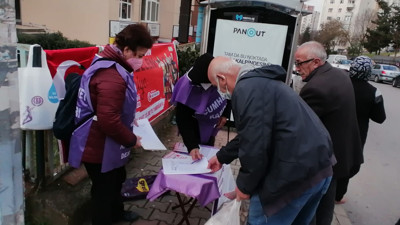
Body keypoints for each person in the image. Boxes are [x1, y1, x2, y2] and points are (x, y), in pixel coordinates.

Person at [207, 56, 335, 225]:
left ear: (222, 79)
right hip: (319, 167)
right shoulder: (262, 84)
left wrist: (244, 186)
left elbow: (255, 144)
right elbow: (253, 133)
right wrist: (222, 156)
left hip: (292, 177)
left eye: (216, 86)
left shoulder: (246, 89)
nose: (220, 92)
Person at [68, 24, 153, 225]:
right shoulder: (111, 75)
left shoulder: (113, 65)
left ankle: (117, 214)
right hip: (98, 146)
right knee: (103, 192)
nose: (141, 61)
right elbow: (109, 120)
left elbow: (111, 110)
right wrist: (132, 140)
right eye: (139, 56)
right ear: (126, 51)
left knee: (116, 180)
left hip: (107, 144)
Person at [294, 41, 363, 225]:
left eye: (300, 63)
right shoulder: (338, 75)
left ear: (316, 62)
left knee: (314, 209)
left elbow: (299, 129)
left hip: (324, 161)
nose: (297, 68)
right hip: (340, 156)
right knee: (325, 206)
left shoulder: (316, 88)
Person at [335, 56, 386, 203]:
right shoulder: (374, 92)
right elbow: (380, 118)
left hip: (335, 128)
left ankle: (327, 188)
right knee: (350, 163)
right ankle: (338, 195)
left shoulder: (340, 84)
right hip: (356, 134)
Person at [171, 53, 231, 160]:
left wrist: (225, 114)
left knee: (209, 149)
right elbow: (183, 119)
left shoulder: (222, 74)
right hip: (195, 125)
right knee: (197, 154)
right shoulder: (188, 86)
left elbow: (230, 94)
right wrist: (192, 146)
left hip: (212, 124)